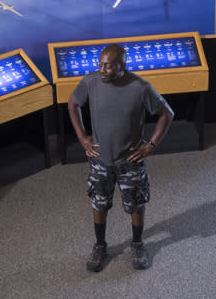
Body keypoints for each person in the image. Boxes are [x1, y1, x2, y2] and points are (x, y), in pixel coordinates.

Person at [67, 44, 172, 272]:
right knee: (99, 203)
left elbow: (166, 113)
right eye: (100, 65)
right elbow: (73, 104)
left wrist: (151, 145)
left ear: (122, 66)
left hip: (130, 161)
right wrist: (83, 138)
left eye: (108, 66)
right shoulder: (90, 82)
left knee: (135, 203)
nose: (102, 70)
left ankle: (137, 244)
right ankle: (100, 245)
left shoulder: (140, 87)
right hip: (100, 160)